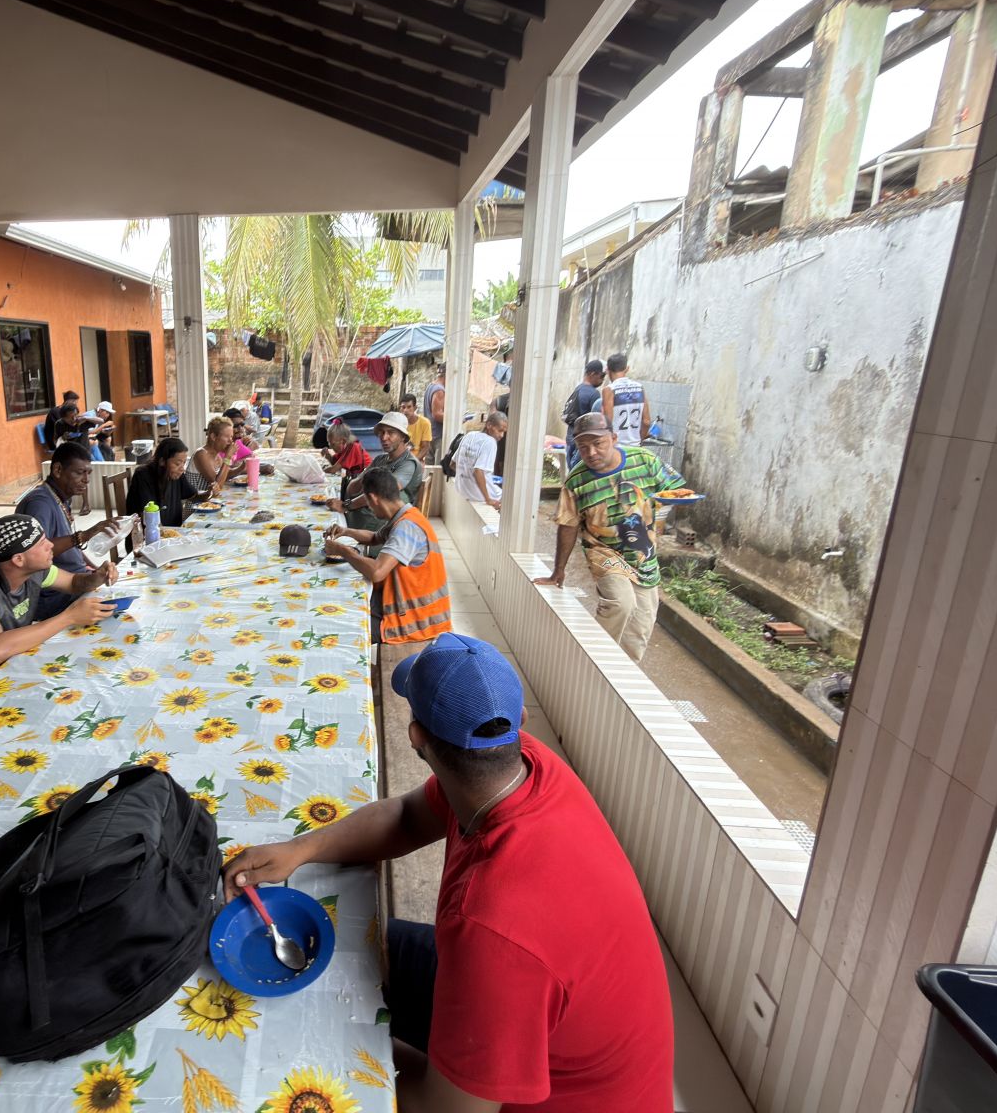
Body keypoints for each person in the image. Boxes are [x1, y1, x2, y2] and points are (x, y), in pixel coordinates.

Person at [224, 633, 674, 1112]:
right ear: (518, 722)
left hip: (548, 1095)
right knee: (344, 940)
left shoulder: (491, 926)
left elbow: (445, 1108)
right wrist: (301, 849)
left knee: (303, 1042)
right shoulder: (525, 766)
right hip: (540, 1001)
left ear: (417, 738)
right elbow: (406, 817)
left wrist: (334, 1041)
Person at [537, 412, 684, 662]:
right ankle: (592, 662)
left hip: (643, 554)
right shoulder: (576, 481)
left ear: (614, 438)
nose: (591, 452)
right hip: (603, 551)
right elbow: (568, 526)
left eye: (598, 443)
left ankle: (620, 673)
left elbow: (675, 490)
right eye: (583, 447)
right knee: (620, 603)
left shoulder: (645, 461)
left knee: (639, 628)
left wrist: (672, 503)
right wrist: (558, 570)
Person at [0, 515, 116, 679]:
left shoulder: (34, 571)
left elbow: (73, 582)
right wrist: (69, 617)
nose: (50, 545)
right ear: (18, 559)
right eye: (42, 543)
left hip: (17, 657)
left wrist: (98, 577)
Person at [323, 469, 451, 644]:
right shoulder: (406, 515)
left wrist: (343, 550)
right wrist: (346, 531)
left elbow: (377, 572)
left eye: (367, 501)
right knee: (339, 603)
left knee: (338, 629)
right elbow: (374, 537)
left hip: (416, 620)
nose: (369, 506)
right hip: (406, 604)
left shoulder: (407, 527)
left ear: (373, 498)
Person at [16, 442, 126, 617]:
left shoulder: (59, 497)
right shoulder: (40, 503)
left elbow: (71, 548)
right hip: (57, 595)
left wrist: (94, 568)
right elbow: (34, 553)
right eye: (79, 472)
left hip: (78, 581)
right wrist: (83, 536)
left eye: (88, 473)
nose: (86, 480)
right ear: (58, 470)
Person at [329, 411, 423, 538]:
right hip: (364, 518)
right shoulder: (380, 460)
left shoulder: (408, 464)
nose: (384, 437)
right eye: (382, 432)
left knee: (332, 531)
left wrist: (346, 506)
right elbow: (351, 488)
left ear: (403, 437)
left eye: (391, 433)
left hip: (384, 527)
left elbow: (382, 492)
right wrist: (366, 479)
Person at [125, 437, 217, 526]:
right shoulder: (143, 475)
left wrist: (208, 492)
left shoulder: (176, 474)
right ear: (162, 461)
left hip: (173, 530)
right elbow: (148, 518)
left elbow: (193, 496)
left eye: (184, 463)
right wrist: (167, 533)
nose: (182, 468)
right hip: (148, 533)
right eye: (177, 463)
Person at [451, 411, 506, 511]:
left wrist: (466, 477)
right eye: (500, 430)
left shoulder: (469, 435)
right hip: (478, 495)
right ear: (489, 425)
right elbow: (478, 471)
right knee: (509, 497)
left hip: (461, 489)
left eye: (504, 432)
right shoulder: (490, 442)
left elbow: (452, 464)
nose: (502, 435)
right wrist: (488, 499)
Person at [598, 352, 650, 447]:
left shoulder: (609, 390)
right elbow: (646, 422)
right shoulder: (640, 388)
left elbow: (608, 423)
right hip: (636, 447)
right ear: (627, 369)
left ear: (608, 370)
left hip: (616, 447)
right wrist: (640, 440)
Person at [563, 360, 607, 468]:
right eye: (602, 376)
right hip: (583, 441)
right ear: (592, 374)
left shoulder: (578, 388)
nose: (603, 379)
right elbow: (596, 420)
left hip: (571, 437)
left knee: (572, 471)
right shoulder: (594, 394)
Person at [189, 417, 248, 491]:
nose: (231, 441)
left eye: (231, 437)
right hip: (198, 498)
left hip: (210, 497)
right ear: (213, 437)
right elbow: (217, 485)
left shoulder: (217, 455)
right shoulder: (201, 454)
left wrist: (242, 467)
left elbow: (225, 475)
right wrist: (228, 456)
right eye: (227, 437)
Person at [422, 364, 446, 462]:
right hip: (437, 436)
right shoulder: (439, 390)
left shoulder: (431, 386)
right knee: (438, 468)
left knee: (429, 468)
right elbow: (437, 415)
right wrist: (456, 419)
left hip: (430, 434)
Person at [400, 393, 434, 458]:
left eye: (409, 407)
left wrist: (414, 461)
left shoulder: (425, 423)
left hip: (416, 459)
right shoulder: (397, 423)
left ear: (415, 408)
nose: (405, 410)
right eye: (403, 407)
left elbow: (425, 448)